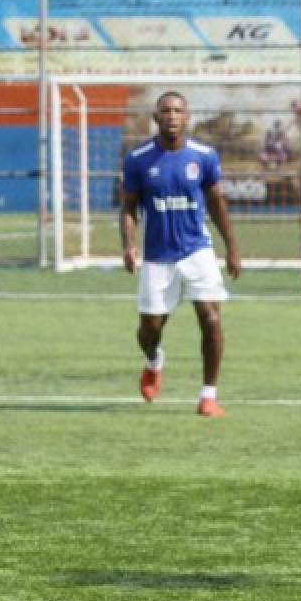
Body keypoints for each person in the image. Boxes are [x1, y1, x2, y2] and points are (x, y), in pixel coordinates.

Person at [119, 90, 241, 418]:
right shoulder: (138, 159)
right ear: (156, 118)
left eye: (177, 111)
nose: (172, 116)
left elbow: (216, 203)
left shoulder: (203, 156)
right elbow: (128, 208)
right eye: (166, 111)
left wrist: (231, 247)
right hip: (158, 257)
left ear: (186, 118)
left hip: (196, 251)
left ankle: (208, 395)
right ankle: (153, 360)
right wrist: (129, 244)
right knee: (150, 329)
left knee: (211, 317)